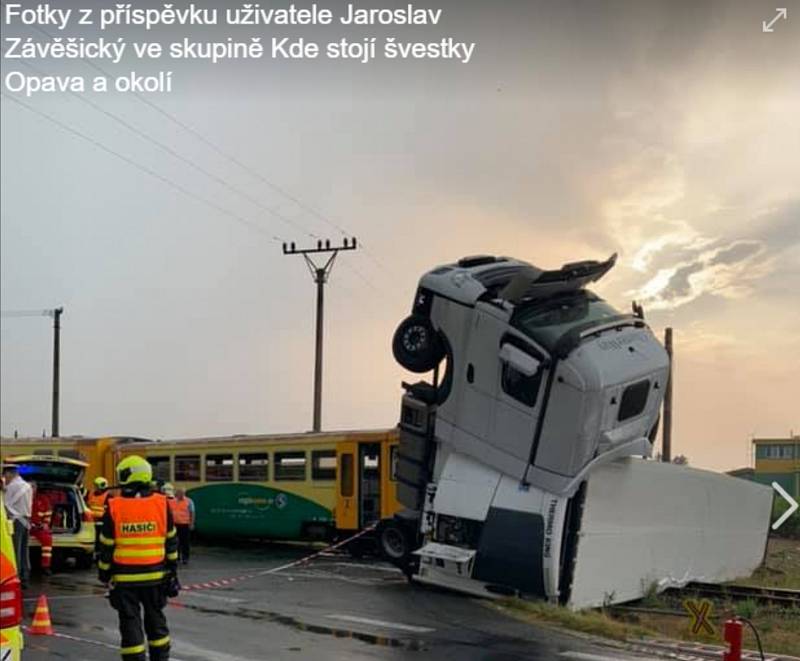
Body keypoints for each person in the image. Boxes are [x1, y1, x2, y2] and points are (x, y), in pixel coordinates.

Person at [98, 456, 179, 661]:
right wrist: (172, 572)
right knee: (156, 621)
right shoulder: (162, 503)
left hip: (125, 581)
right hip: (156, 577)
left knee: (129, 624)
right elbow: (171, 541)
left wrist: (104, 573)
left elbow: (106, 545)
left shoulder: (114, 505)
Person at [2, 464, 33, 588]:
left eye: (5, 475)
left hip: (16, 521)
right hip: (26, 520)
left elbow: (5, 504)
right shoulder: (27, 486)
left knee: (15, 550)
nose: (5, 478)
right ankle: (25, 576)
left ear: (10, 474)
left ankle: (17, 577)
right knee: (24, 550)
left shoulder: (13, 486)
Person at [30, 482, 54, 575]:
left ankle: (45, 566)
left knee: (47, 539)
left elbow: (48, 512)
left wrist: (45, 523)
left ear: (36, 488)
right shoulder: (23, 497)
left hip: (38, 527)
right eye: (29, 487)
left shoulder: (43, 499)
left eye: (33, 487)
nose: (31, 489)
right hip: (25, 526)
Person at [168, 488, 194, 565]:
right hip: (175, 524)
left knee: (185, 542)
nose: (181, 495)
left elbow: (192, 512)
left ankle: (185, 558)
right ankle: (177, 557)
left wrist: (191, 523)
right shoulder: (172, 502)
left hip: (185, 524)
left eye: (183, 493)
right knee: (176, 542)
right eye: (180, 493)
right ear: (177, 494)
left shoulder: (189, 501)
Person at [87, 476, 111, 551]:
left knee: (100, 540)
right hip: (91, 522)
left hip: (101, 523)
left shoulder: (109, 497)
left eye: (97, 486)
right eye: (95, 486)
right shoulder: (90, 494)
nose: (95, 488)